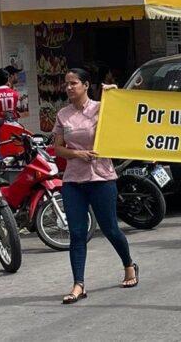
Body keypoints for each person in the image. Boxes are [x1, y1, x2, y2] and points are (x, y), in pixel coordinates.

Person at [53, 68, 138, 305]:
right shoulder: (63, 115)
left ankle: (129, 265)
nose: (69, 87)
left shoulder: (102, 108)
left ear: (86, 85)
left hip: (101, 178)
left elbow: (126, 118)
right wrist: (76, 153)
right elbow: (58, 148)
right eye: (66, 83)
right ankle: (78, 284)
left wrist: (116, 93)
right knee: (77, 233)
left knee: (110, 228)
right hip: (74, 181)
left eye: (74, 83)